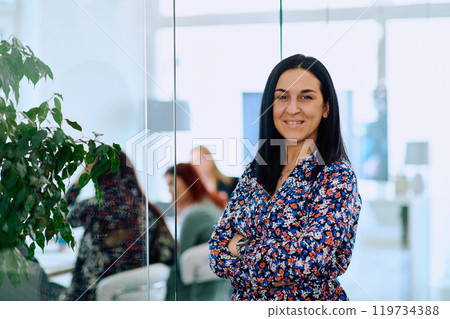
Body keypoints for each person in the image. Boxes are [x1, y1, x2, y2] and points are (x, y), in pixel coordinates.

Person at [208, 54, 362, 301]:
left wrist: (240, 246)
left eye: (306, 97)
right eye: (282, 97)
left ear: (326, 108)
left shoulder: (336, 176)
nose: (292, 108)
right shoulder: (255, 172)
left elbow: (304, 260)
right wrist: (277, 259)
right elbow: (216, 251)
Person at [59, 151, 175, 301]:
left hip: (91, 297)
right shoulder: (148, 210)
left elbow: (59, 213)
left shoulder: (95, 207)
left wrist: (84, 174)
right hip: (133, 296)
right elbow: (168, 254)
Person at [164, 163, 230, 301]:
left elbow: (180, 261)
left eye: (171, 184)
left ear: (187, 181)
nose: (169, 190)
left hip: (199, 291)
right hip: (219, 289)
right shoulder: (208, 203)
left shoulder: (193, 214)